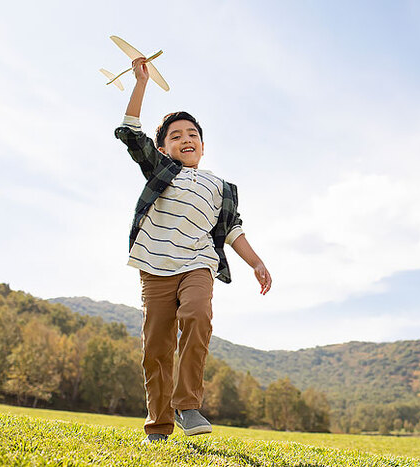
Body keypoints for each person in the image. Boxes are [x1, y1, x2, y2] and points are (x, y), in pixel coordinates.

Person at [114, 57, 272, 444]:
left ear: (202, 144)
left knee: (198, 315)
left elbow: (232, 230)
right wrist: (141, 83)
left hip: (197, 264)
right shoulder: (161, 171)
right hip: (155, 268)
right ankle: (159, 426)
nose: (186, 140)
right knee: (156, 347)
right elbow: (131, 132)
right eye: (175, 136)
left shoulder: (221, 186)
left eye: (192, 135)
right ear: (163, 148)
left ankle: (187, 405)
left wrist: (255, 262)